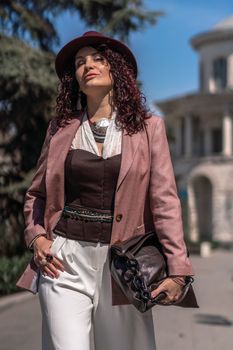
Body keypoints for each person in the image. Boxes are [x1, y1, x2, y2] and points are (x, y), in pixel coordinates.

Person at [17, 31, 197, 350]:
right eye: (80, 62)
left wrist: (179, 270)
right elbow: (37, 193)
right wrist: (38, 236)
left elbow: (165, 202)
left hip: (125, 264)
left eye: (98, 59)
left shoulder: (148, 128)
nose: (88, 65)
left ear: (117, 70)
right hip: (65, 260)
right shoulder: (60, 128)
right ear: (74, 79)